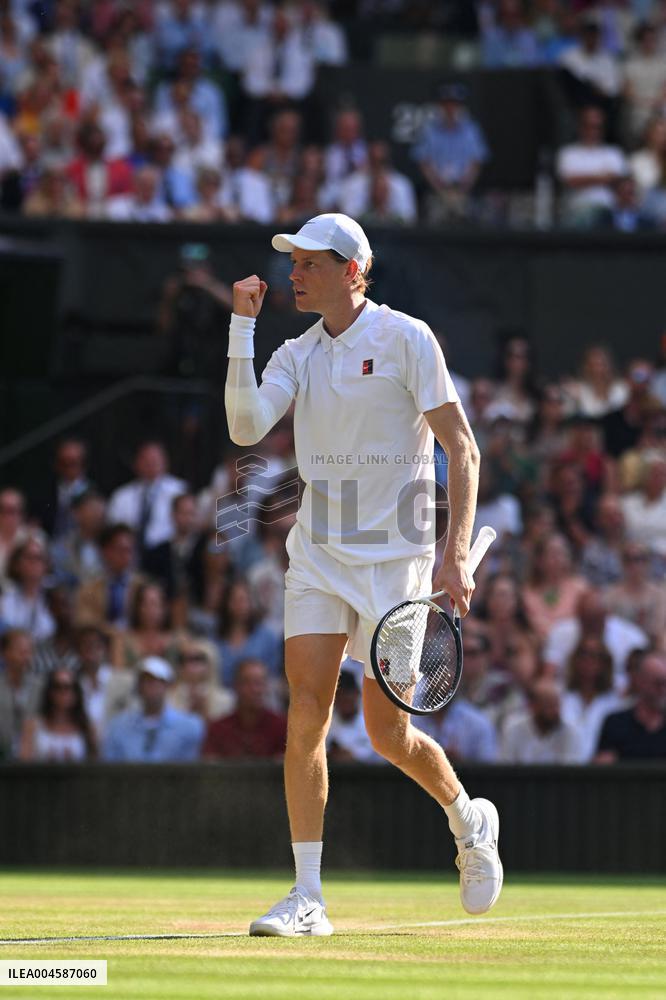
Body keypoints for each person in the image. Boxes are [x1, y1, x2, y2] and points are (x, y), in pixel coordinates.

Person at [224, 212, 502, 937]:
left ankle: (467, 819)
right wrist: (240, 331)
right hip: (318, 557)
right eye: (294, 261)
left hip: (398, 568)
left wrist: (453, 547)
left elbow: (461, 450)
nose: (294, 273)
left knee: (387, 735)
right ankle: (308, 896)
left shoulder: (409, 339)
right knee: (306, 710)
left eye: (310, 263)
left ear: (352, 270)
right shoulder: (293, 351)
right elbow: (246, 426)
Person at [102, 655, 204, 762]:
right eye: (146, 681)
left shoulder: (190, 726)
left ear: (167, 685)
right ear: (138, 687)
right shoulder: (118, 726)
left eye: (157, 681)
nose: (152, 686)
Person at [202, 657, 287, 759]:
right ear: (236, 686)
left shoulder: (281, 727)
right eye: (247, 683)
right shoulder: (218, 729)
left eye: (259, 683)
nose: (255, 690)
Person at [595, 651, 666, 761]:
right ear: (641, 682)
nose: (663, 690)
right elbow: (602, 768)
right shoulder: (615, 724)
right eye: (658, 683)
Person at [19, 668, 97, 762]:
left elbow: (95, 763)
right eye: (57, 687)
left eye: (69, 687)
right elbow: (23, 764)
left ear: (76, 692)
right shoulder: (32, 726)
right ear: (49, 692)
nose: (63, 692)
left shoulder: (87, 727)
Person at [499, 678, 584, 764]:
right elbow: (505, 767)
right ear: (533, 706)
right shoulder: (513, 729)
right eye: (549, 706)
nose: (555, 711)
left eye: (557, 705)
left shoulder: (570, 732)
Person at [326, 668, 382, 763]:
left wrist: (351, 756)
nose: (344, 700)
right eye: (340, 695)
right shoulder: (326, 724)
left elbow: (378, 761)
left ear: (357, 694)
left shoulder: (372, 723)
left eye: (348, 694)